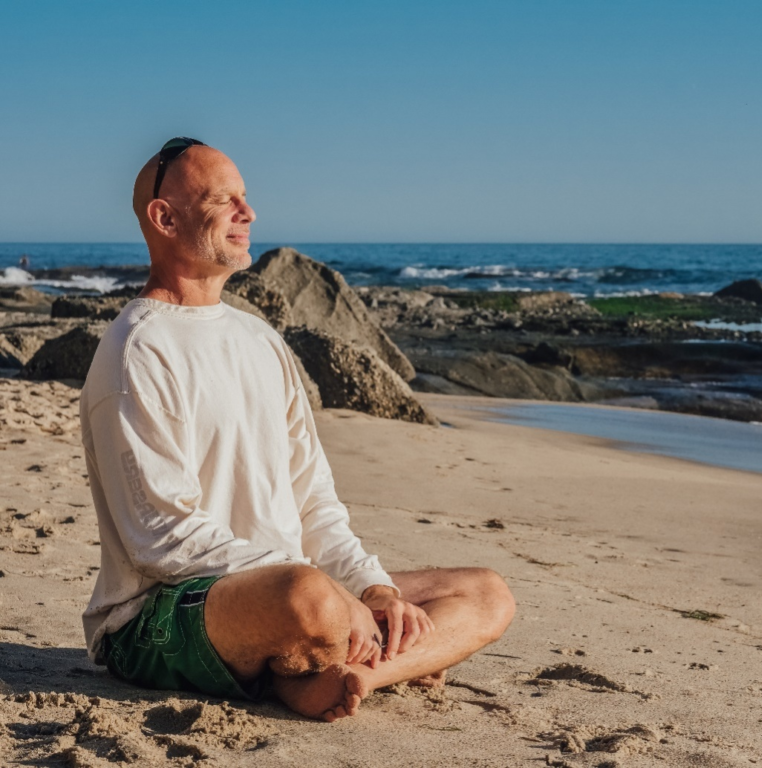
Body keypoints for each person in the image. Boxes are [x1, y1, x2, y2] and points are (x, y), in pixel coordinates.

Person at [79, 137, 516, 721]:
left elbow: (313, 500)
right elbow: (161, 537)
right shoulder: (138, 349)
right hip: (165, 608)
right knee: (307, 600)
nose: (248, 213)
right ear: (165, 217)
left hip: (296, 588)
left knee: (486, 594)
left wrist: (372, 588)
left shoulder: (260, 340)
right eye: (224, 200)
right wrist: (327, 592)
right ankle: (351, 658)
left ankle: (347, 672)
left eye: (246, 198)